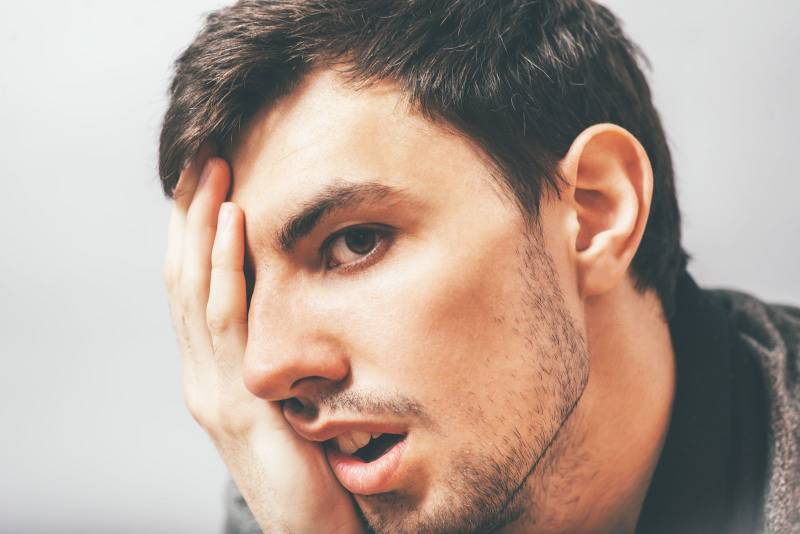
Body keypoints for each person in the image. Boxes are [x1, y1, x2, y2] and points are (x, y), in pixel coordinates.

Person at [157, 1, 799, 532]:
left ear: (594, 211)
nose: (266, 370)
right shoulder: (295, 500)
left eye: (355, 243)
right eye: (244, 284)